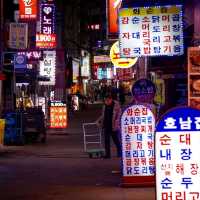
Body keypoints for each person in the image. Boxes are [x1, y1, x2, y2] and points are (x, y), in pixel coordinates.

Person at [96, 93, 122, 158]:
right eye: (105, 100)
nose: (106, 102)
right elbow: (103, 115)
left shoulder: (116, 105)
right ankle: (108, 155)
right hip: (106, 125)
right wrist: (98, 120)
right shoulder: (105, 106)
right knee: (106, 141)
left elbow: (119, 115)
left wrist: (116, 123)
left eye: (107, 100)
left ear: (111, 99)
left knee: (116, 140)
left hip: (113, 126)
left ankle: (120, 153)